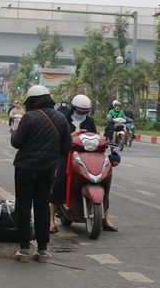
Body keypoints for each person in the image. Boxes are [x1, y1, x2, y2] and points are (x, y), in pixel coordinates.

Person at [11, 85, 72, 263]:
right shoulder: (60, 118)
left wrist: (15, 130)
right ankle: (43, 249)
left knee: (23, 205)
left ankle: (24, 248)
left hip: (25, 169)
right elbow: (66, 147)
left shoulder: (29, 117)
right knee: (42, 206)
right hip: (47, 170)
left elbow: (17, 142)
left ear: (31, 101)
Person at [49, 95, 118, 233]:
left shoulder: (90, 121)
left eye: (84, 113)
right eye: (79, 112)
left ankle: (105, 219)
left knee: (103, 179)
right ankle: (50, 220)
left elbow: (96, 138)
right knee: (60, 180)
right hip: (67, 154)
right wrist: (73, 135)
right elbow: (57, 139)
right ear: (73, 108)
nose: (81, 115)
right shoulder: (64, 120)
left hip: (87, 155)